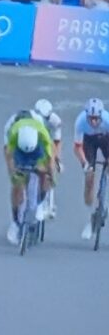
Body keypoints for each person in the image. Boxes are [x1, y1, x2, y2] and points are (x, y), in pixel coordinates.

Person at [3, 115, 54, 244]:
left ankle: (41, 202)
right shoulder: (13, 133)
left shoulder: (43, 136)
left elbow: (50, 161)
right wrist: (13, 174)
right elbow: (9, 157)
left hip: (38, 151)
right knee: (17, 184)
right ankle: (15, 221)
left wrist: (51, 176)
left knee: (44, 173)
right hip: (19, 151)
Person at [73, 98, 109, 239]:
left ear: (100, 116)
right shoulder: (80, 122)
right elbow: (77, 147)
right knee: (89, 176)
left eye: (96, 119)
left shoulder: (107, 120)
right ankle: (91, 216)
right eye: (91, 119)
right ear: (86, 115)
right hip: (89, 141)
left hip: (106, 138)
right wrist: (85, 164)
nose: (93, 122)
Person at [33, 98, 63, 218]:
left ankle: (48, 200)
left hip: (49, 142)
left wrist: (57, 160)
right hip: (35, 140)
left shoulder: (56, 121)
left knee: (50, 165)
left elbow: (56, 142)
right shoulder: (31, 119)